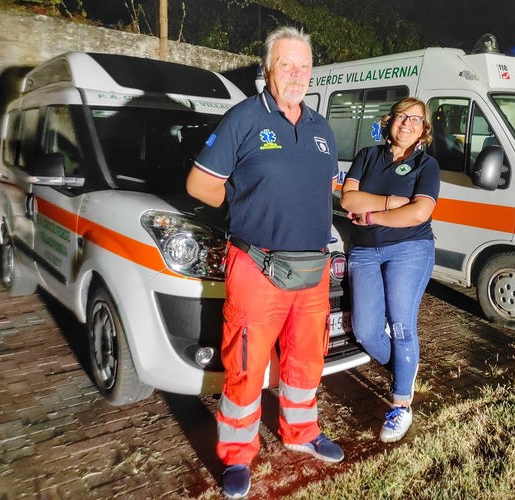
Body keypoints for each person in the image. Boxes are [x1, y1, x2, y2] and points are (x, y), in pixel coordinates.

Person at [186, 26, 342, 499]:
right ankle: (237, 454)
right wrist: (245, 202)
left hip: (311, 268)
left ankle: (301, 432)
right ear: (267, 69)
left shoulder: (321, 128)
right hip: (256, 265)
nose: (296, 74)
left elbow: (323, 189)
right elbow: (200, 185)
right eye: (286, 65)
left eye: (303, 66)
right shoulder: (244, 118)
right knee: (247, 362)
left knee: (307, 358)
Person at [340, 97, 440, 443]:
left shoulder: (426, 165)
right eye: (402, 116)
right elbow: (348, 200)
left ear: (423, 131)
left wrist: (372, 215)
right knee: (366, 330)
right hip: (365, 250)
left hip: (410, 248)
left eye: (416, 119)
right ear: (390, 121)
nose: (408, 123)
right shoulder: (368, 155)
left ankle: (400, 405)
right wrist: (390, 203)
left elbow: (417, 214)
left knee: (401, 324)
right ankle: (404, 370)